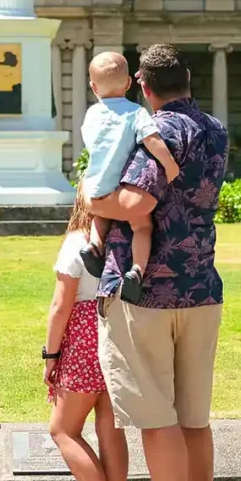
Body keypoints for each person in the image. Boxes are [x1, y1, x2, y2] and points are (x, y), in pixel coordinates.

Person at [87, 44, 228, 481]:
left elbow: (135, 203)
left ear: (143, 87)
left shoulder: (158, 128)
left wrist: (91, 203)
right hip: (201, 287)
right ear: (187, 81)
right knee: (194, 420)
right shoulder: (215, 130)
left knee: (157, 420)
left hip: (145, 294)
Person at [43, 192, 129, 481]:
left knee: (62, 430)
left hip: (84, 338)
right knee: (110, 431)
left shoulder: (76, 243)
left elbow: (60, 306)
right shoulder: (124, 239)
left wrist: (51, 356)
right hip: (118, 332)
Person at [76, 51, 181, 303]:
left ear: (93, 87)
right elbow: (152, 140)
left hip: (95, 186)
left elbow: (91, 142)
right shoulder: (136, 113)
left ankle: (94, 244)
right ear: (128, 83)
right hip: (122, 187)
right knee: (142, 227)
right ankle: (136, 270)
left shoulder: (91, 114)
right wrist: (170, 165)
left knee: (101, 213)